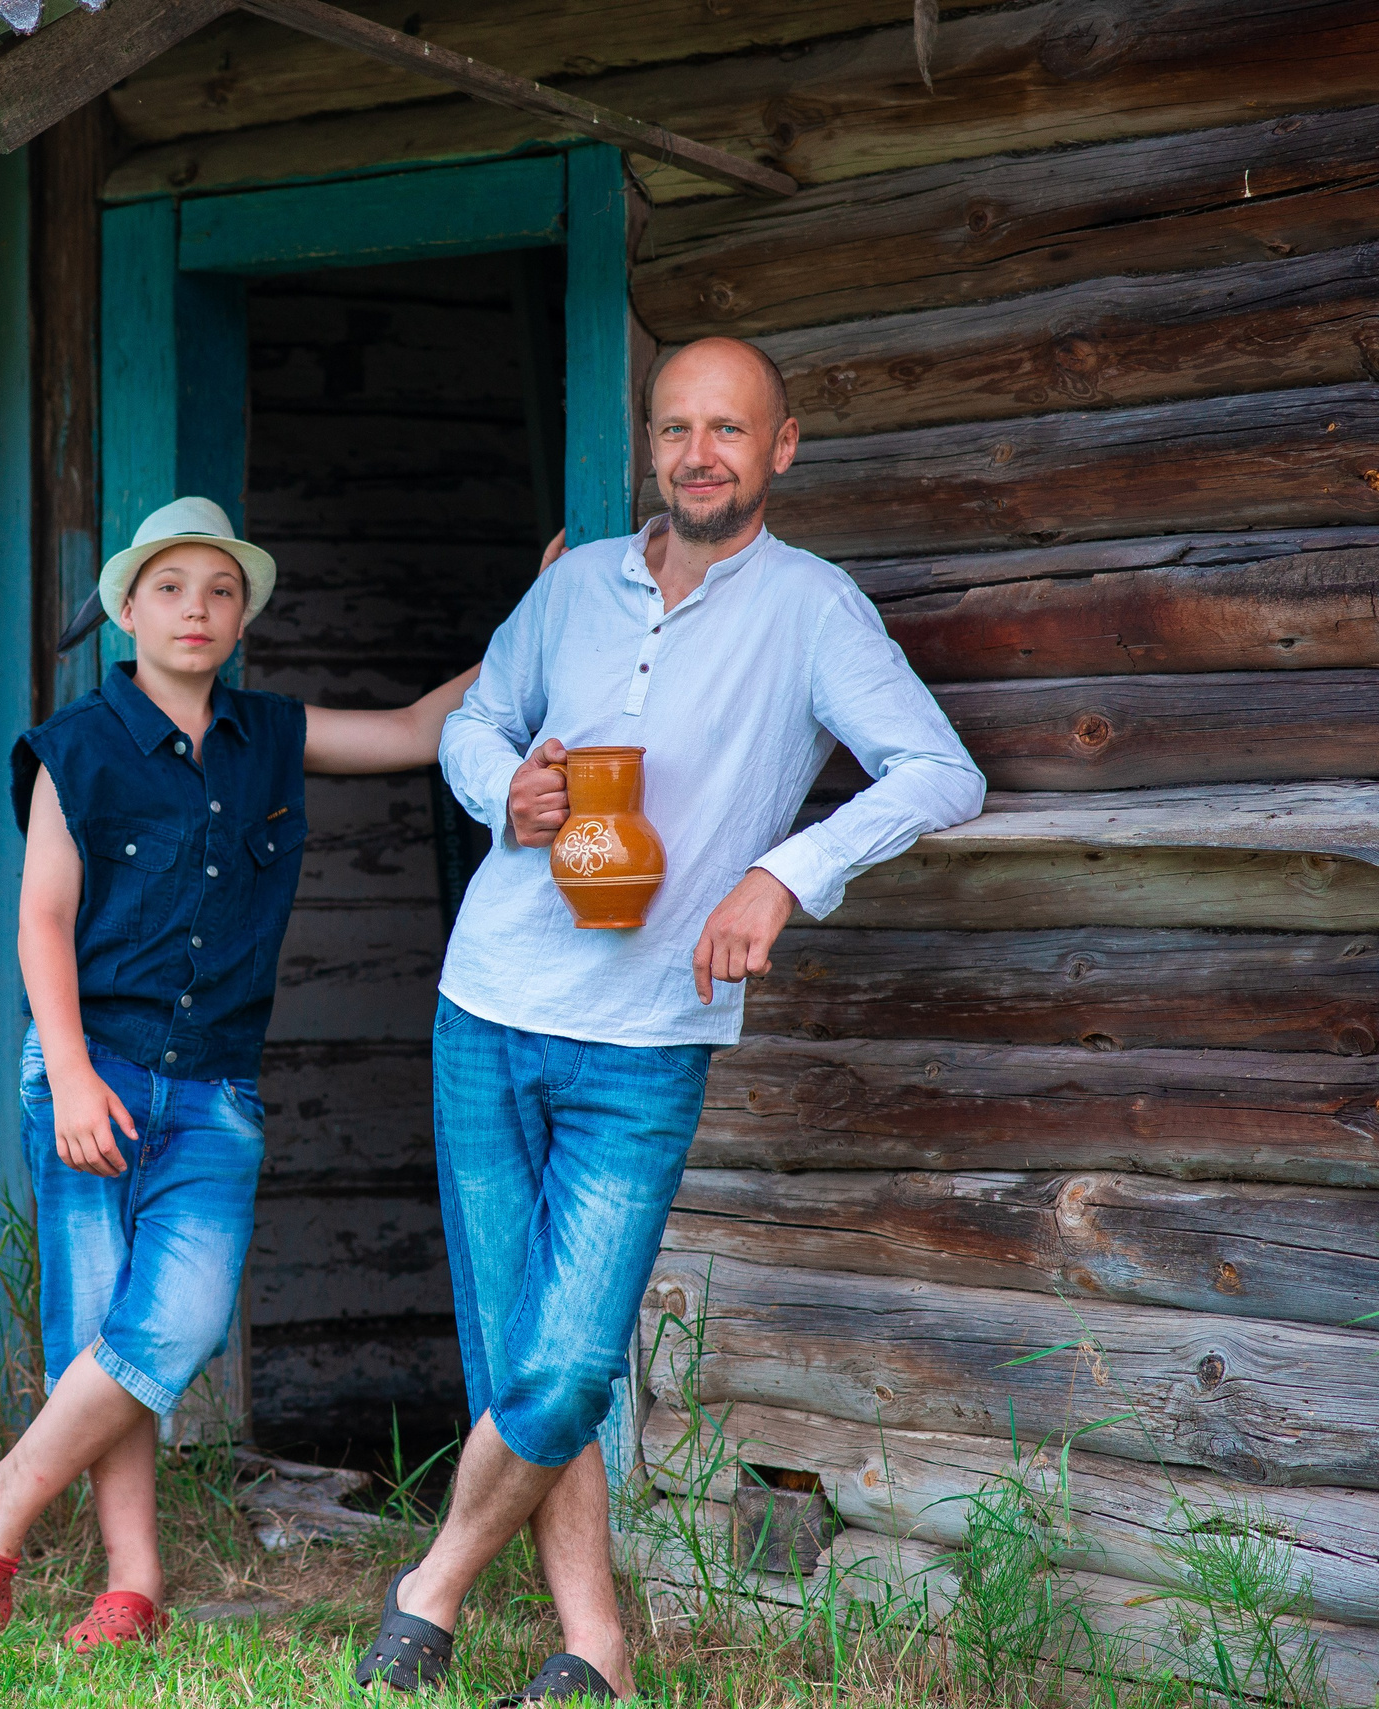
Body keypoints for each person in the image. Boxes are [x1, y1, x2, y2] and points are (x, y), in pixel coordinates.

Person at [353, 337, 985, 1701]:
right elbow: (477, 722)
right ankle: (595, 1649)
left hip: (646, 1036)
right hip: (487, 1004)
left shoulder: (813, 610)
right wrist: (504, 788)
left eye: (729, 430)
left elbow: (940, 771)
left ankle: (429, 1588)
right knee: (521, 1359)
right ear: (651, 444)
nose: (700, 454)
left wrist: (783, 874)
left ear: (782, 447)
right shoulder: (573, 586)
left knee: (569, 1361)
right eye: (676, 428)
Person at [0, 495, 484, 1653]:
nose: (196, 608)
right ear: (126, 610)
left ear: (242, 619)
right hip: (92, 1070)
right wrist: (72, 1073)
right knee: (104, 1329)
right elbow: (42, 922)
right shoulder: (75, 749)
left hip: (215, 1092)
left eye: (221, 590)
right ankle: (131, 1581)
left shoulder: (272, 734)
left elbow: (416, 728)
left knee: (171, 1324)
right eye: (171, 587)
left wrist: (546, 612)